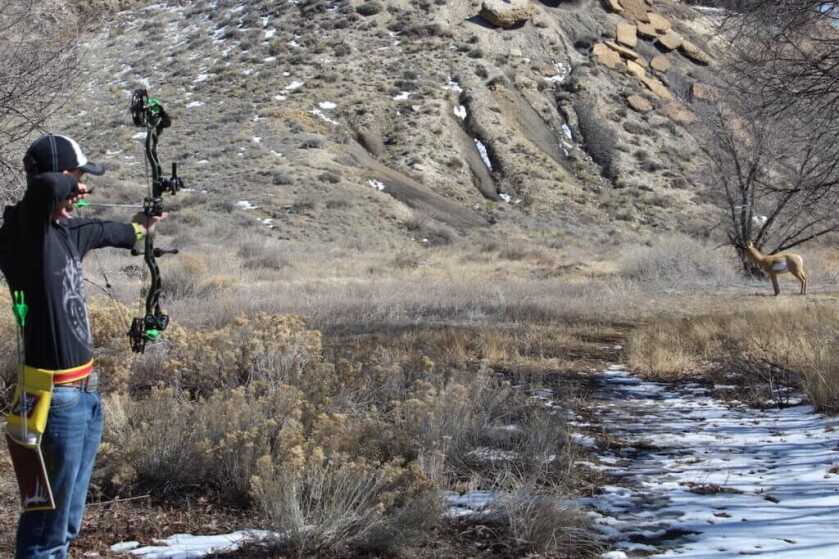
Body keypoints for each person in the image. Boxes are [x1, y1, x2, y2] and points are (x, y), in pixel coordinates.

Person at [0, 133, 163, 559]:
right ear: (58, 177)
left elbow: (107, 229)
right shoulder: (24, 235)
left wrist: (139, 230)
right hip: (53, 400)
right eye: (76, 178)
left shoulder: (66, 232)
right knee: (45, 532)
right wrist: (69, 184)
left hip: (85, 394)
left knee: (67, 523)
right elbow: (42, 190)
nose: (80, 191)